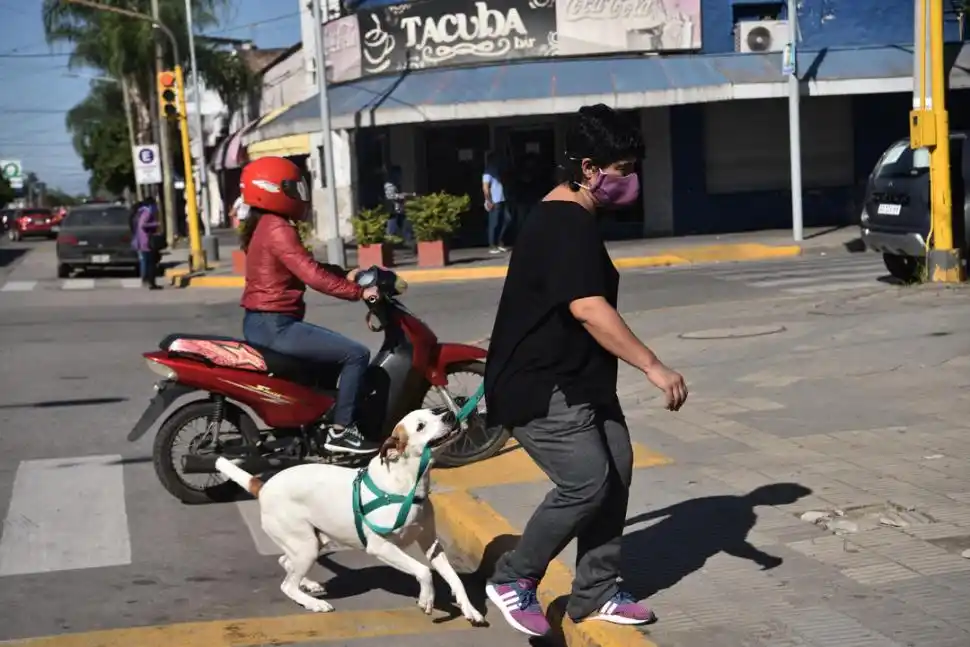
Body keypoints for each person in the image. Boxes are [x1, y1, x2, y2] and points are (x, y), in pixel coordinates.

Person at [483, 104, 689, 637]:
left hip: (580, 379)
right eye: (623, 170)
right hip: (541, 385)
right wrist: (653, 365)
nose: (631, 180)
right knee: (587, 481)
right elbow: (589, 309)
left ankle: (595, 590)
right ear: (591, 168)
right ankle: (514, 579)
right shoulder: (563, 223)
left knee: (615, 469)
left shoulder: (573, 216)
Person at [238, 156, 381, 455]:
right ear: (275, 190)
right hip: (275, 325)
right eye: (294, 188)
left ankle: (315, 425)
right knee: (356, 354)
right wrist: (359, 293)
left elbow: (304, 264)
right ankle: (341, 432)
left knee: (326, 364)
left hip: (264, 321)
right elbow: (312, 275)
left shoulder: (266, 224)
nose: (300, 195)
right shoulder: (278, 228)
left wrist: (344, 273)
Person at [131, 197, 161, 290]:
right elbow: (143, 225)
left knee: (147, 262)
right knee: (151, 263)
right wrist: (156, 224)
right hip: (147, 241)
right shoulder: (147, 213)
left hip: (142, 241)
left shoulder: (140, 212)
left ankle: (149, 281)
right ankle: (152, 282)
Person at [483, 152, 510, 254]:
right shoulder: (487, 172)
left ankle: (499, 241)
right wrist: (488, 200)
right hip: (494, 200)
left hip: (502, 199)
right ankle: (492, 245)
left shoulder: (497, 171)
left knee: (507, 219)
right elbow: (485, 187)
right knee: (494, 223)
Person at [383, 165, 414, 248]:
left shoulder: (396, 184)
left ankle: (407, 241)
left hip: (398, 210)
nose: (400, 176)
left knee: (405, 225)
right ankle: (389, 245)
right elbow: (390, 196)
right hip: (393, 210)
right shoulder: (390, 185)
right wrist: (403, 196)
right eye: (398, 174)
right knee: (391, 229)